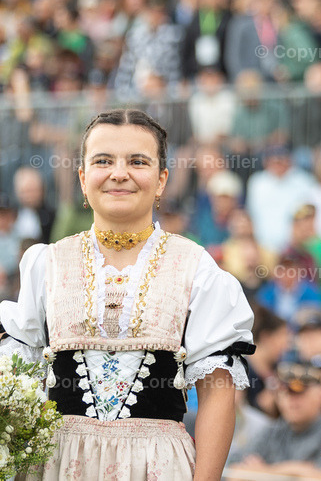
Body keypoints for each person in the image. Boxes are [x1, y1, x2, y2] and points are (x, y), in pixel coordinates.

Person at [0, 109, 256, 480]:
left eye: (138, 161)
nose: (119, 173)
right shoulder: (46, 263)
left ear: (162, 180)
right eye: (103, 161)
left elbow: (217, 391)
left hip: (158, 466)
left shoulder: (197, 268)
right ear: (83, 178)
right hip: (55, 464)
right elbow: (16, 377)